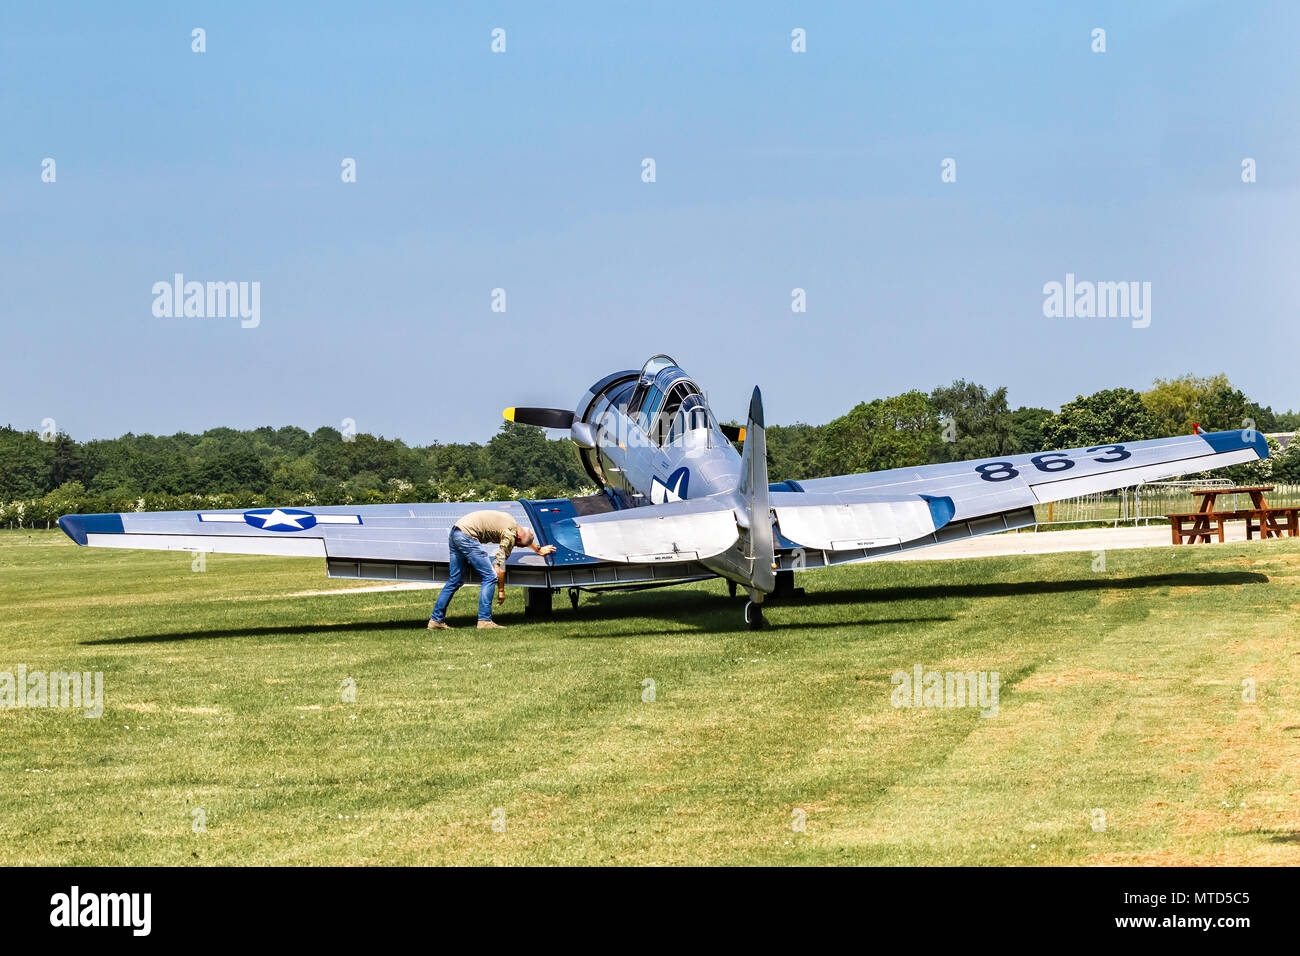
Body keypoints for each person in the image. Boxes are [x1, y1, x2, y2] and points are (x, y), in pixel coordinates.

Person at [427, 510, 555, 629]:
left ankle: (435, 621)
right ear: (517, 539)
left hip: (455, 533)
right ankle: (484, 621)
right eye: (517, 545)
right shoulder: (510, 536)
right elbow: (499, 565)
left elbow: (523, 537)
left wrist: (538, 549)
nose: (515, 546)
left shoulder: (512, 523)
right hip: (467, 537)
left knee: (455, 580)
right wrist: (501, 591)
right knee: (490, 576)